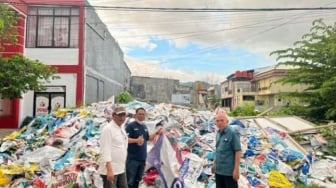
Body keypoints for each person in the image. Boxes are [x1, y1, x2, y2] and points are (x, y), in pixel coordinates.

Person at [125, 107, 163, 188]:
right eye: (140, 114)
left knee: (138, 180)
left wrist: (157, 132)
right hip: (132, 159)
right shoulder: (130, 126)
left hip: (142, 159)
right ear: (135, 115)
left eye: (143, 114)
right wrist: (136, 140)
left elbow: (148, 138)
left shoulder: (144, 126)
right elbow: (124, 139)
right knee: (130, 181)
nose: (141, 116)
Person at [98, 106, 128, 188]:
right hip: (111, 169)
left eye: (123, 115)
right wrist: (109, 170)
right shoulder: (108, 129)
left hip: (120, 168)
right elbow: (105, 150)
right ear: (113, 116)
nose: (122, 118)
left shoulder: (121, 128)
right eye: (119, 115)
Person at [213, 112, 241, 188]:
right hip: (219, 171)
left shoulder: (232, 133)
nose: (219, 123)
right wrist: (214, 164)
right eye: (217, 121)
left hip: (229, 172)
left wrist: (236, 169)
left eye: (222, 120)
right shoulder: (218, 133)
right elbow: (218, 150)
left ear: (227, 121)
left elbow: (238, 151)